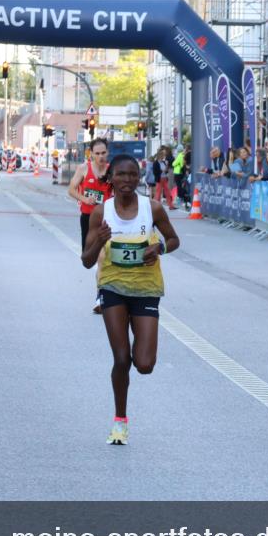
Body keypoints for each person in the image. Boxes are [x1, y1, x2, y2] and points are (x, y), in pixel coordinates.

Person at [80, 154, 180, 446]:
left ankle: (140, 338)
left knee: (145, 364)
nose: (127, 181)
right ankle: (120, 421)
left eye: (132, 175)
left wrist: (159, 247)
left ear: (139, 178)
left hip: (147, 288)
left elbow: (174, 240)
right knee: (122, 358)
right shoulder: (101, 212)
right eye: (121, 175)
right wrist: (99, 240)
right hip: (113, 288)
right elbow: (86, 261)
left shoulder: (153, 209)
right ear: (110, 178)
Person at [69, 137, 111, 251]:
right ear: (91, 154)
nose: (101, 156)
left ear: (108, 152)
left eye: (103, 153)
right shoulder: (83, 168)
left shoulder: (111, 170)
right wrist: (85, 199)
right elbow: (71, 190)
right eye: (97, 153)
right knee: (88, 253)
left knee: (106, 252)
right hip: (88, 216)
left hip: (107, 217)